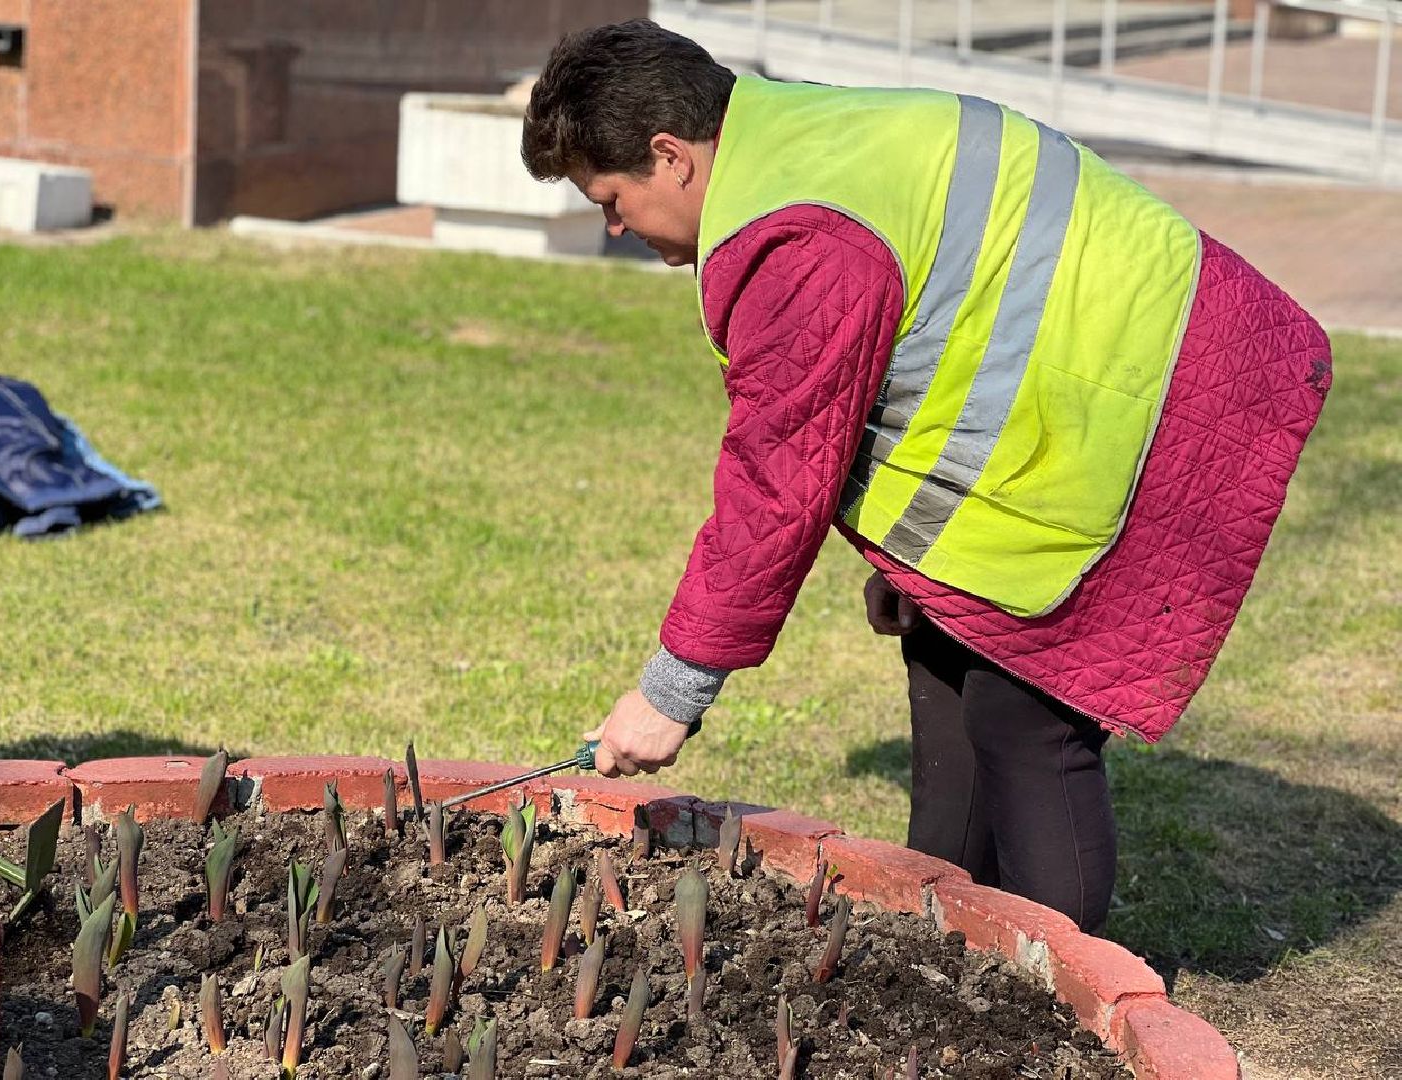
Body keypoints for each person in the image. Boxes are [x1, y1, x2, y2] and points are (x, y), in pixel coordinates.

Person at [521, 20, 1330, 933]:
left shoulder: (796, 237)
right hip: (1101, 387)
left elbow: (775, 484)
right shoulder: (790, 140)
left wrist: (670, 694)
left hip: (1153, 398)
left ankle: (1062, 999)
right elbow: (927, 348)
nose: (616, 227)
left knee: (1028, 722)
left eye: (612, 199)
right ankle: (942, 938)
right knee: (947, 655)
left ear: (670, 156)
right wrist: (915, 568)